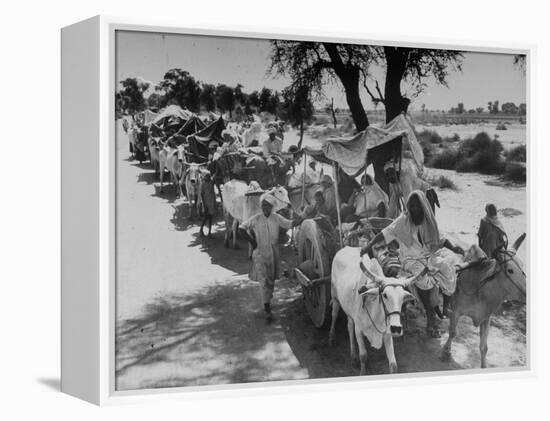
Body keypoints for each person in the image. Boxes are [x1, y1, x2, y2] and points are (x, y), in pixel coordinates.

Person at [361, 190, 464, 314]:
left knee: (448, 269)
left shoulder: (428, 221)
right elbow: (386, 232)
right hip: (410, 259)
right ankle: (429, 312)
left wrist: (453, 248)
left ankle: (446, 306)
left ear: (423, 206)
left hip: (428, 256)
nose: (414, 209)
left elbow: (439, 240)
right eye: (412, 206)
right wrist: (369, 246)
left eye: (417, 206)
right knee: (421, 278)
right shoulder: (403, 220)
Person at [240, 195, 303, 322]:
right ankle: (267, 308)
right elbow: (242, 228)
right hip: (259, 254)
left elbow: (290, 224)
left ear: (271, 207)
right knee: (263, 281)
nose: (264, 208)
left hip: (273, 253)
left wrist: (303, 216)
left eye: (267, 206)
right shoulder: (256, 218)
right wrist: (253, 243)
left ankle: (267, 299)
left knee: (271, 280)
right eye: (263, 206)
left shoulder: (276, 218)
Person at [200, 172, 217, 238]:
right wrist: (204, 205)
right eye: (207, 176)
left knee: (210, 218)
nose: (208, 178)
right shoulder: (203, 184)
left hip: (211, 202)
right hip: (206, 203)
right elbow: (201, 194)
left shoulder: (211, 182)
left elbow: (215, 177)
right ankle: (201, 230)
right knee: (205, 217)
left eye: (209, 176)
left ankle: (209, 232)